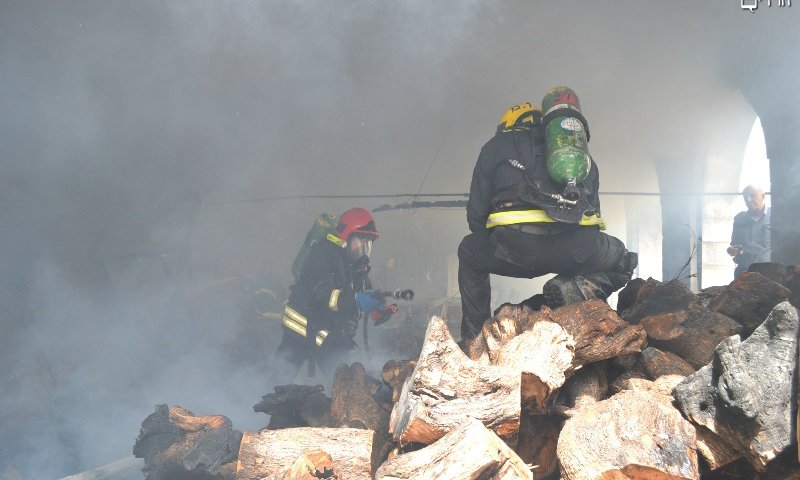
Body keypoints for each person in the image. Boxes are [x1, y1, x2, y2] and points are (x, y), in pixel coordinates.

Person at [458, 98, 637, 341]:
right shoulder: (579, 157)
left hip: (515, 250)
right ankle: (575, 291)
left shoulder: (494, 147)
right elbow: (593, 213)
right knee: (624, 260)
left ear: (508, 126)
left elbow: (476, 218)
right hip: (576, 250)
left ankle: (475, 340)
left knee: (469, 252)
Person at [272, 207, 396, 385]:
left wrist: (377, 310)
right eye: (362, 241)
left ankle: (339, 409)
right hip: (301, 327)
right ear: (346, 237)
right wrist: (357, 300)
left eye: (369, 243)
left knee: (343, 384)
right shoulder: (323, 256)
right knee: (278, 384)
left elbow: (362, 292)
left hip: (328, 330)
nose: (365, 249)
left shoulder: (354, 266)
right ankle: (260, 409)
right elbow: (327, 298)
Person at [727, 185, 771, 278]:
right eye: (745, 197)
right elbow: (734, 243)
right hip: (743, 271)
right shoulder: (739, 218)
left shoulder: (775, 216)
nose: (748, 200)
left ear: (763, 196)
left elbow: (779, 246)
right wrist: (732, 250)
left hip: (768, 271)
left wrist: (744, 248)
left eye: (753, 195)